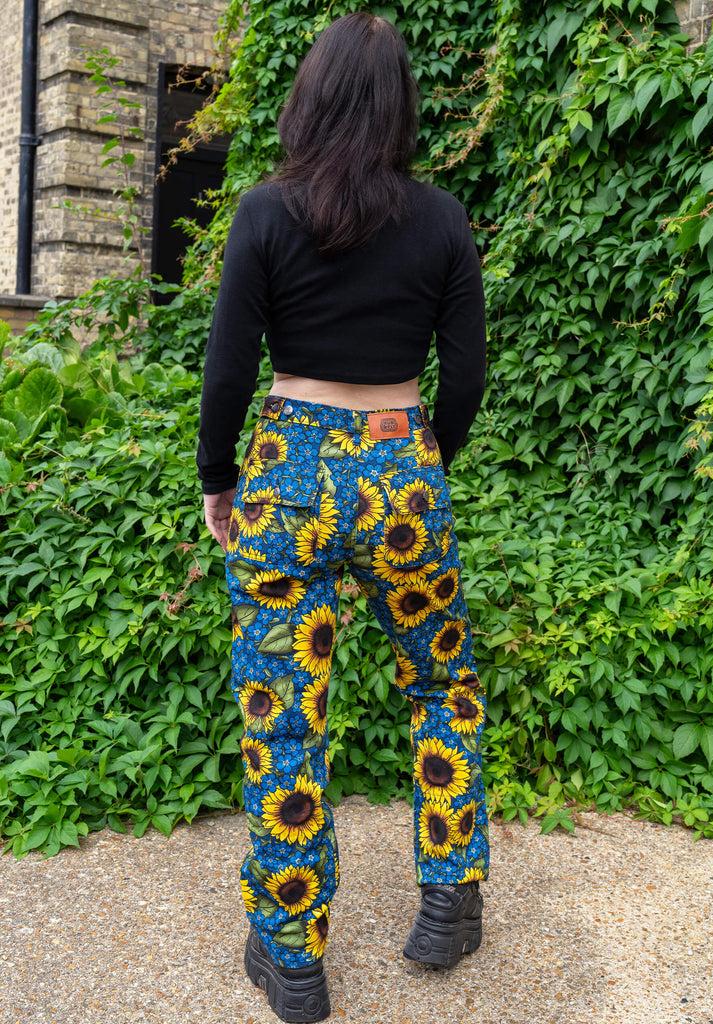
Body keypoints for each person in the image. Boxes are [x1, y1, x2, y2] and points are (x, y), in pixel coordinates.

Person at [197, 12, 488, 1023]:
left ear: (310, 97)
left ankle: (293, 957)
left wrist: (217, 478)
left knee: (286, 712)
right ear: (402, 105)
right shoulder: (445, 220)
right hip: (402, 459)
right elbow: (471, 373)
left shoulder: (267, 212)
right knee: (441, 679)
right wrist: (424, 453)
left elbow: (230, 366)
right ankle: (448, 900)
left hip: (290, 463)